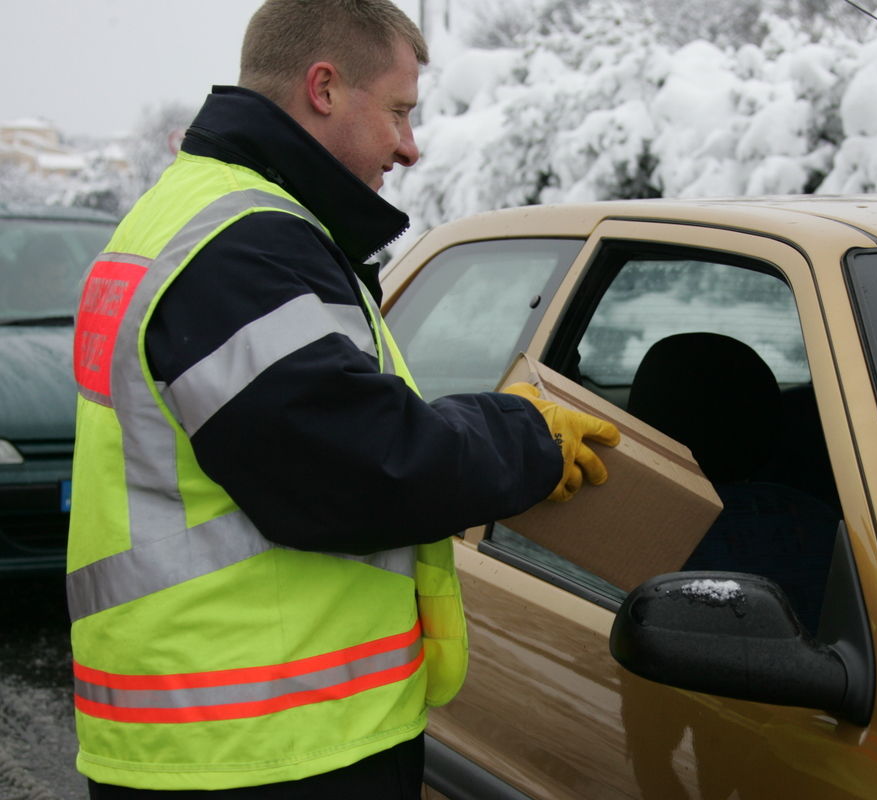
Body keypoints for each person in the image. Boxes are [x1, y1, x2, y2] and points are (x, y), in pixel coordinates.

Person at [66, 1, 619, 797]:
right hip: (261, 744)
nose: (410, 145)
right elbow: (364, 466)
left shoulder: (193, 216)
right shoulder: (242, 245)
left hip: (221, 725)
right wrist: (527, 433)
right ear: (323, 88)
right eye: (398, 110)